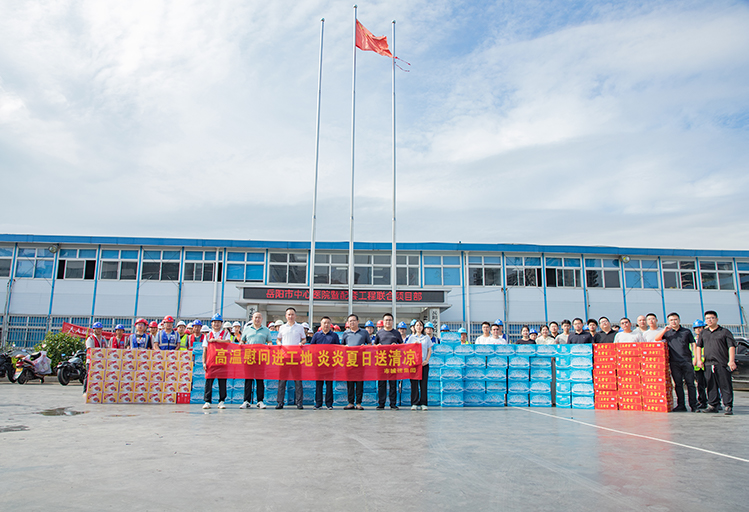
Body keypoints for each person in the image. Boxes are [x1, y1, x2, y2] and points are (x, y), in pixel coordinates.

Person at [695, 310, 737, 415]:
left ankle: (728, 405)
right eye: (707, 318)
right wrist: (699, 360)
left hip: (722, 363)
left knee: (725, 385)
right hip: (708, 363)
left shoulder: (724, 332)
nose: (710, 320)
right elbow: (699, 346)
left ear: (717, 319)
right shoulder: (704, 333)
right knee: (710, 385)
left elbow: (731, 346)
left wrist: (731, 361)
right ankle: (712, 405)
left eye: (712, 318)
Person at [655, 312, 697, 412]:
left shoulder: (686, 331)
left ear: (679, 320)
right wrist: (665, 329)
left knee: (690, 384)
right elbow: (657, 339)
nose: (673, 322)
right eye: (671, 320)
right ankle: (681, 405)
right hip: (674, 362)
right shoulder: (668, 333)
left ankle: (694, 405)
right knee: (678, 384)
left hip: (686, 361)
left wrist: (695, 358)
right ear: (668, 322)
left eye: (675, 319)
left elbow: (693, 344)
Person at [239, 311, 273, 409]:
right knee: (248, 379)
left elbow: (269, 342)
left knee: (259, 380)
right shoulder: (247, 329)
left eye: (259, 317)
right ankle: (246, 401)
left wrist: (270, 344)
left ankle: (260, 401)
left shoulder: (266, 330)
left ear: (262, 319)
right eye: (255, 317)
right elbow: (242, 341)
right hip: (249, 357)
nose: (257, 319)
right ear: (252, 319)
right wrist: (241, 343)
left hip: (260, 358)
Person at [275, 307, 307, 410]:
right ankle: (280, 402)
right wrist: (279, 344)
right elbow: (278, 339)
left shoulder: (300, 327)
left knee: (298, 381)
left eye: (292, 314)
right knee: (282, 381)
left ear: (295, 316)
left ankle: (299, 403)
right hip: (284, 357)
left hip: (296, 357)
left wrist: (301, 343)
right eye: (289, 314)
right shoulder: (282, 327)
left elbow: (304, 339)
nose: (290, 316)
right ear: (286, 316)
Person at [308, 316, 340, 410]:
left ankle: (329, 404)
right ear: (321, 324)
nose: (326, 324)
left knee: (329, 384)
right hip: (319, 364)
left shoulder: (334, 336)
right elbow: (311, 348)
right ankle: (318, 403)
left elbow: (338, 349)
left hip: (330, 364)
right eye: (324, 323)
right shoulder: (316, 335)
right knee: (319, 384)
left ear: (330, 324)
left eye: (328, 323)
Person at [374, 313, 403, 410]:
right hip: (381, 362)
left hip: (393, 362)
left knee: (393, 384)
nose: (388, 322)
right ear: (383, 321)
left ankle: (393, 404)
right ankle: (381, 403)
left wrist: (397, 346)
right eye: (386, 320)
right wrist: (377, 347)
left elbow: (402, 346)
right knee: (381, 383)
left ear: (392, 321)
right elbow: (374, 346)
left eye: (390, 320)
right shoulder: (379, 333)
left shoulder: (396, 333)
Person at [203, 314, 231, 410]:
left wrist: (215, 340)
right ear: (211, 323)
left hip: (222, 361)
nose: (216, 324)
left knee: (222, 382)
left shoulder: (225, 333)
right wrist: (204, 362)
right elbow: (205, 350)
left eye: (218, 322)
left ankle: (221, 401)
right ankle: (207, 401)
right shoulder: (207, 335)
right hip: (211, 362)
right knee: (209, 381)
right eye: (215, 322)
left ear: (221, 323)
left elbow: (228, 342)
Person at [342, 314, 369, 410]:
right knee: (350, 383)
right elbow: (342, 347)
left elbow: (370, 344)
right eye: (350, 321)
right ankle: (350, 402)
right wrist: (345, 348)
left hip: (360, 362)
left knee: (359, 383)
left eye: (354, 320)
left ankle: (358, 403)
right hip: (349, 362)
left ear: (358, 321)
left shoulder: (364, 332)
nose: (352, 322)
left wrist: (365, 347)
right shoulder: (345, 333)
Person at [408, 320, 433, 411]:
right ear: (414, 327)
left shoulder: (426, 338)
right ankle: (414, 403)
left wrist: (426, 360)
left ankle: (423, 403)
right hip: (414, 365)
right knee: (414, 384)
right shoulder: (411, 338)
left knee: (423, 384)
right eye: (417, 325)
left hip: (423, 364)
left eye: (420, 325)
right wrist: (413, 345)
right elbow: (407, 349)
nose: (419, 327)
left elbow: (429, 350)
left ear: (423, 328)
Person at [692, 320, 708, 409]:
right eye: (696, 328)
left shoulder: (707, 338)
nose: (698, 330)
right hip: (697, 366)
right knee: (700, 384)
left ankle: (714, 401)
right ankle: (702, 401)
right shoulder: (693, 340)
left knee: (710, 383)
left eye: (700, 328)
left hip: (707, 363)